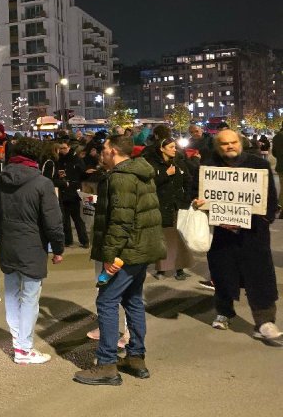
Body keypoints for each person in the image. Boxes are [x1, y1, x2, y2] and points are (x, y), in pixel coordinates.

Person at [74, 135, 165, 386]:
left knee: (106, 301)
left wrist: (111, 256)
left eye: (103, 150)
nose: (100, 154)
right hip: (140, 249)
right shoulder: (140, 173)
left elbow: (121, 221)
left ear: (113, 151)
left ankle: (106, 364)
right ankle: (136, 358)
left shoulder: (121, 177)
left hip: (127, 252)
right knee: (133, 300)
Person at [197, 129, 281, 344]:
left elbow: (270, 198)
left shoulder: (258, 165)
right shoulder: (208, 167)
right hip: (221, 234)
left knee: (260, 276)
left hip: (253, 234)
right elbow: (195, 194)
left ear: (240, 142)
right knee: (223, 273)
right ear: (218, 146)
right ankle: (224, 311)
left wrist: (264, 219)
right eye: (224, 144)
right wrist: (198, 203)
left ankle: (264, 321)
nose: (230, 146)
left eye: (233, 142)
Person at [0, 138, 64, 364]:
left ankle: (18, 342)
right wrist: (58, 248)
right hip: (32, 246)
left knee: (12, 293)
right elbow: (53, 222)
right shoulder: (42, 183)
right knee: (30, 297)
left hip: (9, 244)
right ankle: (24, 348)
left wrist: (2, 237)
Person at [144, 138, 195, 280]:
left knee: (177, 237)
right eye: (171, 147)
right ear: (162, 149)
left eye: (175, 147)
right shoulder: (152, 164)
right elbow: (150, 184)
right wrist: (166, 175)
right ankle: (163, 269)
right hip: (160, 206)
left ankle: (179, 268)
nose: (174, 149)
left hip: (177, 206)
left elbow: (188, 181)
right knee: (164, 238)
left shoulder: (179, 163)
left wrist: (186, 198)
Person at [56, 140, 88, 247]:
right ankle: (68, 240)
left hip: (74, 193)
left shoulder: (76, 159)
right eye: (60, 148)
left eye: (64, 148)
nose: (62, 150)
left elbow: (82, 174)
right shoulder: (59, 159)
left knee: (78, 219)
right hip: (64, 192)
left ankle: (84, 240)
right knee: (65, 220)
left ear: (69, 147)